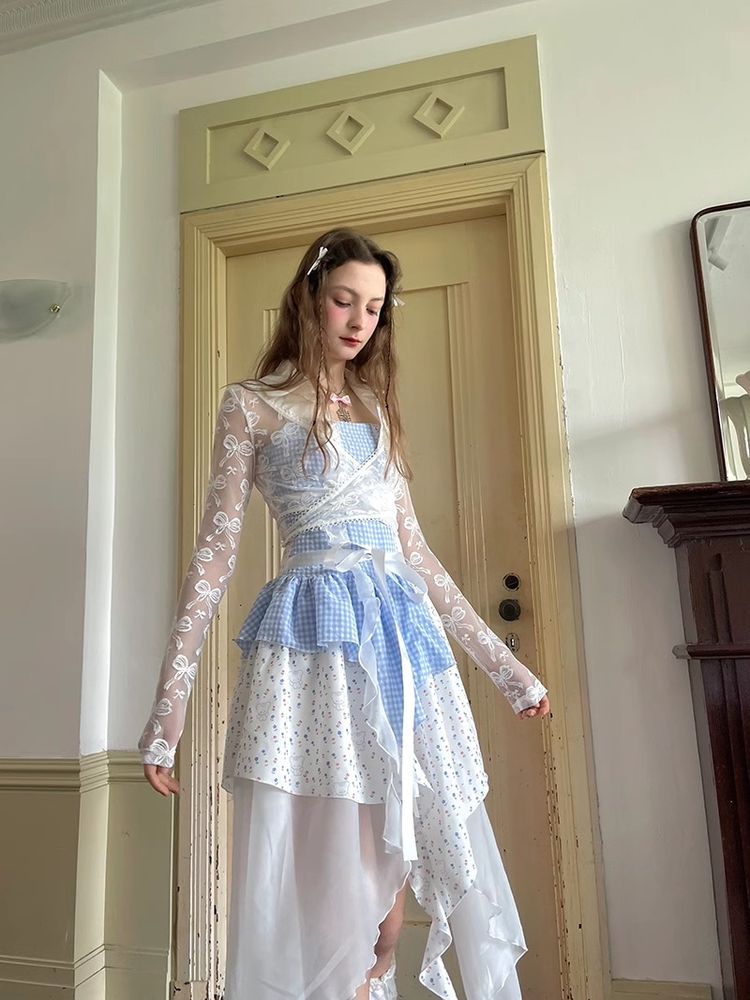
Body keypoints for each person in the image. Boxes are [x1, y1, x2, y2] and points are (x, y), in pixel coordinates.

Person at [138, 228, 551, 1000]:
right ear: (308, 299)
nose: (360, 321)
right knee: (336, 893)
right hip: (311, 650)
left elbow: (417, 557)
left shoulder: (377, 409)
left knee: (391, 903)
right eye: (343, 301)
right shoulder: (252, 406)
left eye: (374, 307)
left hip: (398, 645)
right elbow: (213, 560)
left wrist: (509, 671)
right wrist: (169, 711)